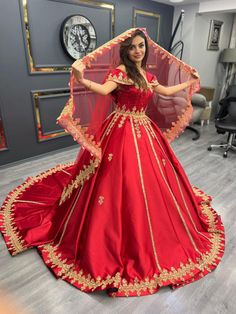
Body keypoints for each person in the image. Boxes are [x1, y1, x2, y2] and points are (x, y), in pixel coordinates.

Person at [0, 29, 225, 298]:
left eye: (141, 46)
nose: (138, 51)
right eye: (132, 47)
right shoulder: (120, 72)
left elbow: (164, 91)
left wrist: (189, 83)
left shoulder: (147, 75)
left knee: (151, 182)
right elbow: (102, 89)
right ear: (125, 51)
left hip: (145, 131)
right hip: (119, 129)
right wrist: (81, 77)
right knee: (115, 181)